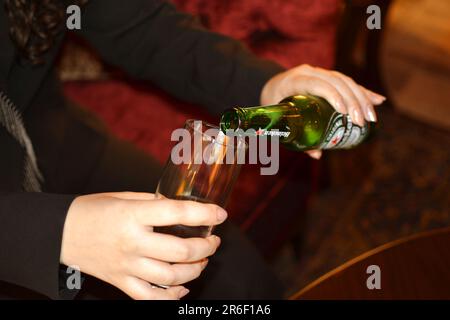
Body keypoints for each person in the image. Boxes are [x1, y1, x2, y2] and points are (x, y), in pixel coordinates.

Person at [0, 0, 385, 300]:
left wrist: (265, 85)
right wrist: (55, 234)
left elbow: (142, 28)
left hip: (55, 142)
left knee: (244, 284)